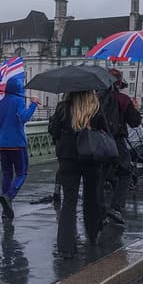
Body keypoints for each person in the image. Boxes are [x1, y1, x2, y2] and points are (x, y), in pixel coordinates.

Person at [48, 90, 108, 259]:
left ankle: (65, 246)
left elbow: (53, 131)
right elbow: (105, 131)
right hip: (90, 157)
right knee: (91, 197)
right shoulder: (95, 108)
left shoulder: (63, 108)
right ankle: (92, 233)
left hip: (68, 158)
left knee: (69, 201)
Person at [97, 68, 142, 226]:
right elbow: (135, 122)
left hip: (98, 142)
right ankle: (115, 207)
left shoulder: (95, 98)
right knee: (125, 172)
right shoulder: (124, 99)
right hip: (117, 142)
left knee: (99, 177)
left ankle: (99, 210)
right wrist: (136, 109)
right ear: (118, 83)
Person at [0, 75, 40, 219]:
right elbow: (24, 117)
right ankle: (9, 196)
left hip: (3, 144)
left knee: (7, 174)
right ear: (19, 89)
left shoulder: (0, 104)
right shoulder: (19, 101)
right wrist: (33, 104)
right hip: (17, 144)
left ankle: (5, 210)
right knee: (22, 173)